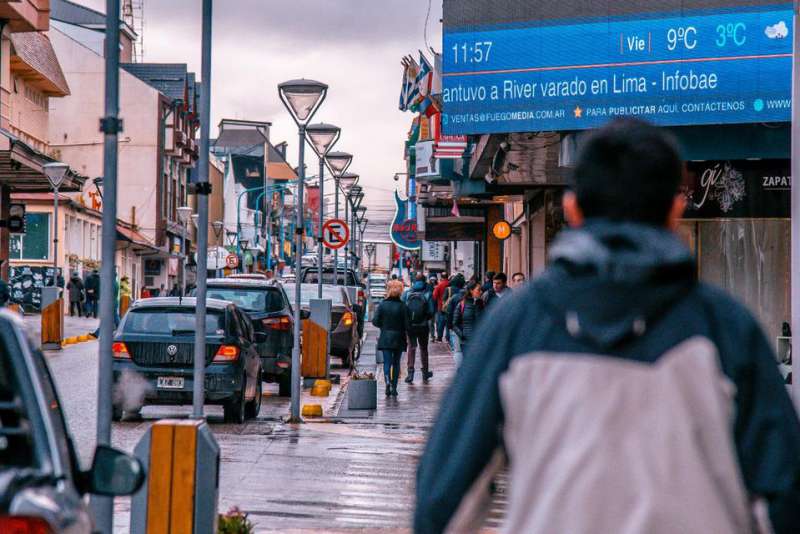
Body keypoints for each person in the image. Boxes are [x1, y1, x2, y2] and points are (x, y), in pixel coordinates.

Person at [415, 118, 800, 534]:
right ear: (675, 208)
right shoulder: (726, 329)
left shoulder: (517, 324)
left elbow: (443, 499)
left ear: (572, 208)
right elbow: (784, 493)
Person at [372, 279, 408, 397]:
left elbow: (375, 321)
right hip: (399, 337)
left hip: (386, 337)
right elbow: (407, 324)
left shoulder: (382, 305)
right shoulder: (403, 306)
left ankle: (387, 382)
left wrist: (383, 326)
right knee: (396, 363)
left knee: (387, 362)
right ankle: (394, 387)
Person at [403, 274, 435, 384]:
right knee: (423, 349)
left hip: (410, 327)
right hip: (423, 326)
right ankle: (425, 372)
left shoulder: (407, 293)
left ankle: (410, 373)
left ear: (414, 281)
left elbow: (403, 309)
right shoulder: (428, 294)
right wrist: (425, 318)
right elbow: (431, 311)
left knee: (411, 348)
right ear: (424, 281)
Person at [451, 280, 484, 356]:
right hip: (466, 342)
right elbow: (454, 324)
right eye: (478, 290)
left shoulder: (481, 304)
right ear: (471, 291)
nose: (481, 292)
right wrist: (462, 335)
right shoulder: (462, 304)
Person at [444, 274, 466, 365]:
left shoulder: (453, 296)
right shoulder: (468, 296)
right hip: (468, 326)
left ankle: (459, 369)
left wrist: (449, 326)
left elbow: (449, 312)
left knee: (457, 350)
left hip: (455, 326)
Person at [431, 273, 450, 342]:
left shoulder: (439, 285)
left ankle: (439, 337)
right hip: (450, 307)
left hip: (441, 307)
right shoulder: (450, 284)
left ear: (441, 277)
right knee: (448, 323)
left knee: (440, 323)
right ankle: (448, 338)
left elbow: (434, 296)